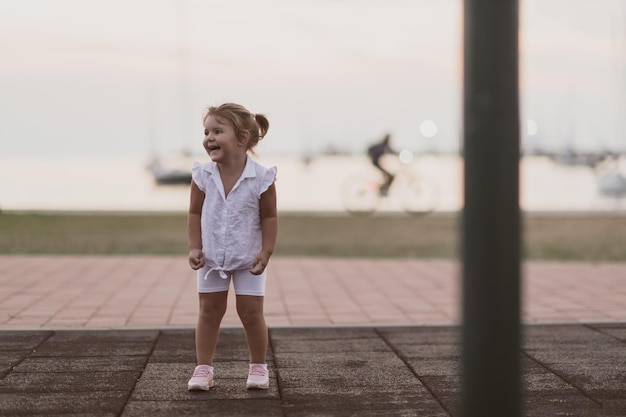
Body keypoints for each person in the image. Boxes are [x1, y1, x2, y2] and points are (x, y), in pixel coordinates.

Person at [186, 103, 278, 391]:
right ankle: (204, 368)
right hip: (211, 258)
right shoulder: (203, 175)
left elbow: (269, 216)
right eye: (206, 132)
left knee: (251, 313)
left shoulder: (262, 178)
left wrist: (266, 251)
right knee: (209, 311)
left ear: (242, 138)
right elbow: (195, 213)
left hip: (250, 258)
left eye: (217, 131)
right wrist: (194, 247)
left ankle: (258, 367)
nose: (209, 138)